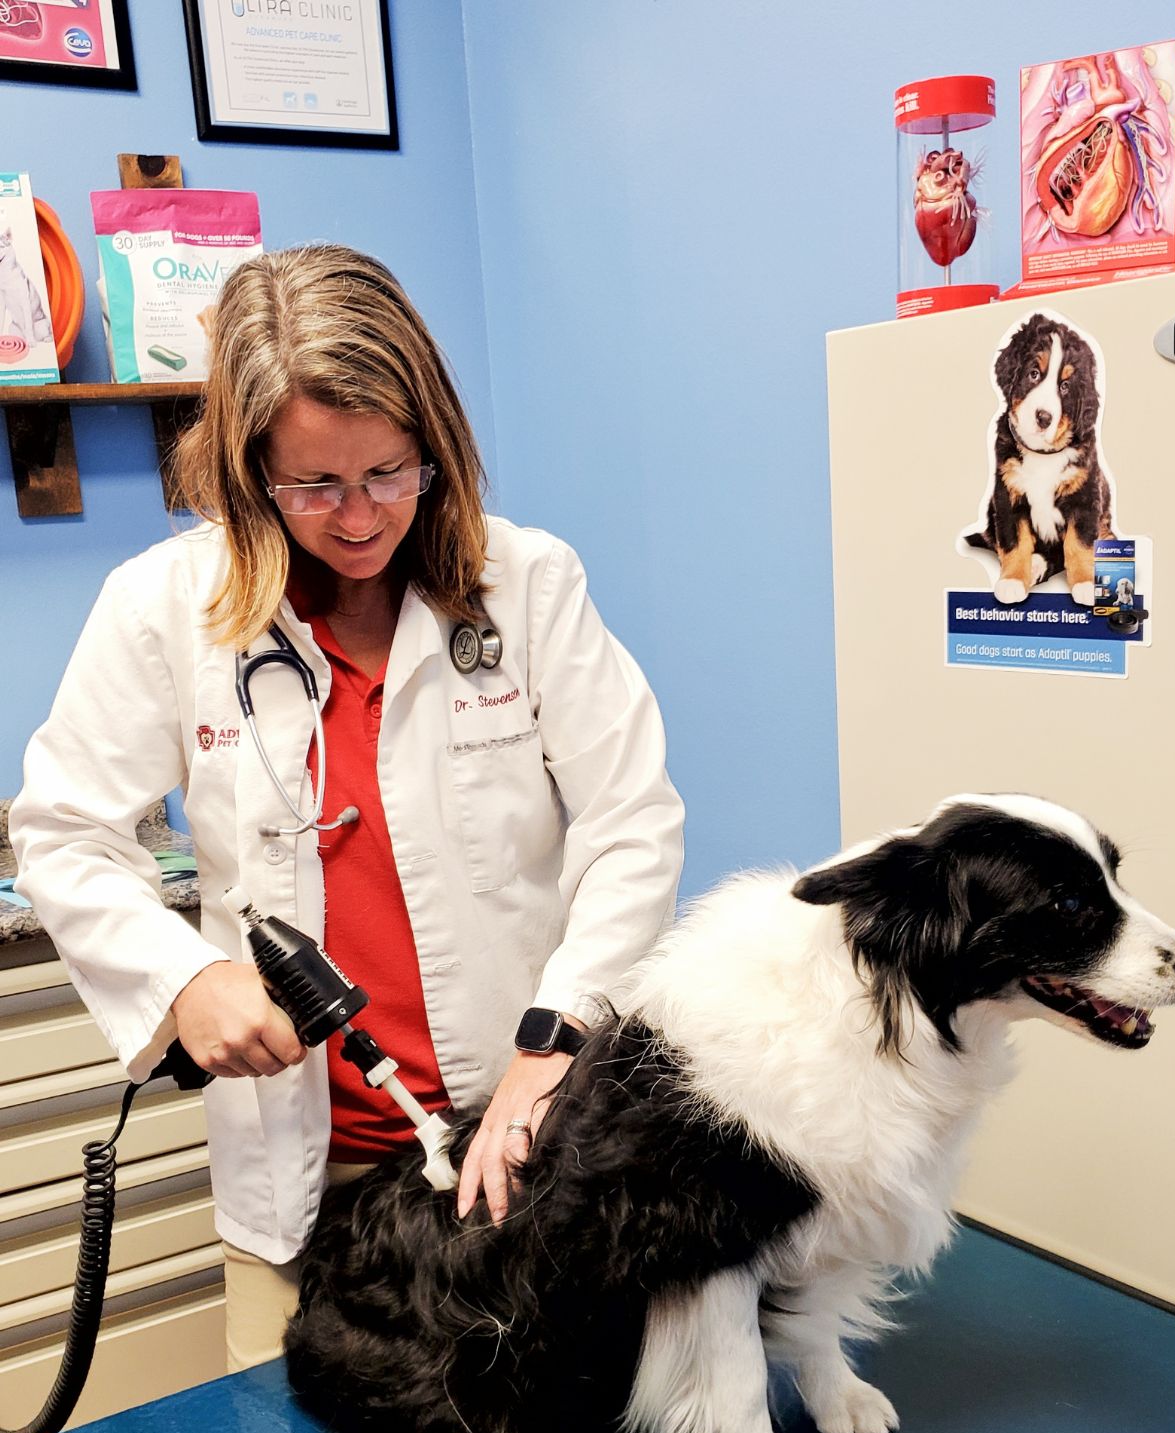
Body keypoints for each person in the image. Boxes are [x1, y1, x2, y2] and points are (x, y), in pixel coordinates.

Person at [10, 244, 684, 1372]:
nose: (362, 515)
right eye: (315, 485)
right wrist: (184, 979)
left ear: (436, 446)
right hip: (301, 1186)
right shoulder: (164, 608)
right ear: (244, 472)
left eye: (389, 472)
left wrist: (554, 1040)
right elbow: (65, 832)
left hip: (521, 1147)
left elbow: (632, 824)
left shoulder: (527, 584)